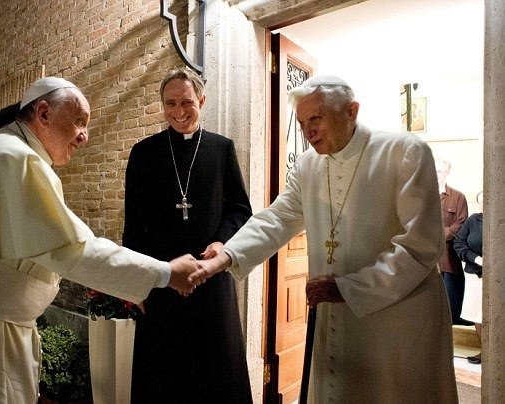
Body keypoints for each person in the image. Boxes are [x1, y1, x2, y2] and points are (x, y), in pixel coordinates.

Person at [0, 77, 201, 403]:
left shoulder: (1, 149)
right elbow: (72, 252)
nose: (84, 136)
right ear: (43, 113)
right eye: (79, 121)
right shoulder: (16, 159)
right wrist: (164, 273)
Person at [193, 75, 458, 403]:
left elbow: (420, 247)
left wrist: (347, 288)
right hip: (337, 311)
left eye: (316, 119)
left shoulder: (404, 152)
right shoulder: (308, 165)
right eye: (302, 123)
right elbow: (278, 218)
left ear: (352, 111)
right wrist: (227, 254)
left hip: (398, 319)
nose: (308, 131)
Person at [123, 68, 253, 403]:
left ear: (202, 101)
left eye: (186, 102)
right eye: (171, 103)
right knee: (164, 379)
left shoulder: (221, 149)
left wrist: (222, 241)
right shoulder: (144, 153)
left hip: (210, 279)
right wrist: (136, 283)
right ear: (162, 105)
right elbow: (134, 226)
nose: (179, 111)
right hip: (161, 280)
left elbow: (240, 209)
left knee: (215, 376)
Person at [435, 158, 470, 325]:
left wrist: (437, 234)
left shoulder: (458, 197)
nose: (436, 174)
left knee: (450, 308)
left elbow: (461, 224)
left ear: (447, 173)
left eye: (440, 171)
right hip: (426, 260)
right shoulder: (421, 195)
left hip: (448, 259)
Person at [454, 191, 484, 364]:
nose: (484, 204)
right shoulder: (473, 220)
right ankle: (486, 351)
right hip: (475, 275)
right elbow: (459, 243)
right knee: (477, 314)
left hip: (497, 277)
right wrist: (476, 258)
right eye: (481, 201)